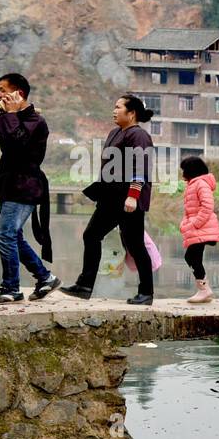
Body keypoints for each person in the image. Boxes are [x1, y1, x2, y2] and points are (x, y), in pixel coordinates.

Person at [0, 72, 58, 304]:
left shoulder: (36, 121)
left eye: (3, 90)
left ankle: (11, 288)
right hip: (9, 186)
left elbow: (18, 141)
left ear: (19, 93)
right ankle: (45, 277)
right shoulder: (5, 117)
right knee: (13, 236)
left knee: (5, 235)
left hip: (25, 187)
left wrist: (12, 114)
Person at [61, 94, 156, 305]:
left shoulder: (138, 136)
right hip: (111, 199)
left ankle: (147, 292)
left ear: (131, 113)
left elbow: (140, 167)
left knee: (136, 245)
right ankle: (84, 286)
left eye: (118, 107)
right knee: (91, 235)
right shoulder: (115, 132)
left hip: (128, 200)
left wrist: (133, 196)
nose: (114, 111)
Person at [178, 155, 219, 303]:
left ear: (191, 171)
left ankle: (204, 289)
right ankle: (204, 289)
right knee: (192, 257)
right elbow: (190, 210)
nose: (182, 174)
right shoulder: (193, 184)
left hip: (201, 228)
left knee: (191, 257)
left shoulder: (201, 184)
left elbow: (207, 207)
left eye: (184, 170)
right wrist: (185, 224)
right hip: (196, 228)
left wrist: (194, 224)